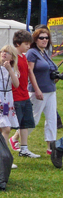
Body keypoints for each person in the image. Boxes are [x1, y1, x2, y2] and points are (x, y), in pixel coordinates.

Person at [8, 30, 41, 158]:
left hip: (25, 95)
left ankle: (24, 149)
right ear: (17, 43)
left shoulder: (23, 56)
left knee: (25, 123)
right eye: (26, 44)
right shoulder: (12, 57)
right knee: (10, 125)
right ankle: (3, 151)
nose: (28, 46)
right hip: (15, 97)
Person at [26, 27, 58, 155]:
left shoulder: (44, 53)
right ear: (36, 39)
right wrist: (37, 89)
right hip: (37, 91)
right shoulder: (32, 52)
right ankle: (15, 138)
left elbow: (49, 72)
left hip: (51, 90)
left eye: (46, 38)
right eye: (41, 38)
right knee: (33, 119)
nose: (45, 40)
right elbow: (29, 72)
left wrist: (56, 77)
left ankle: (51, 147)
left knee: (52, 119)